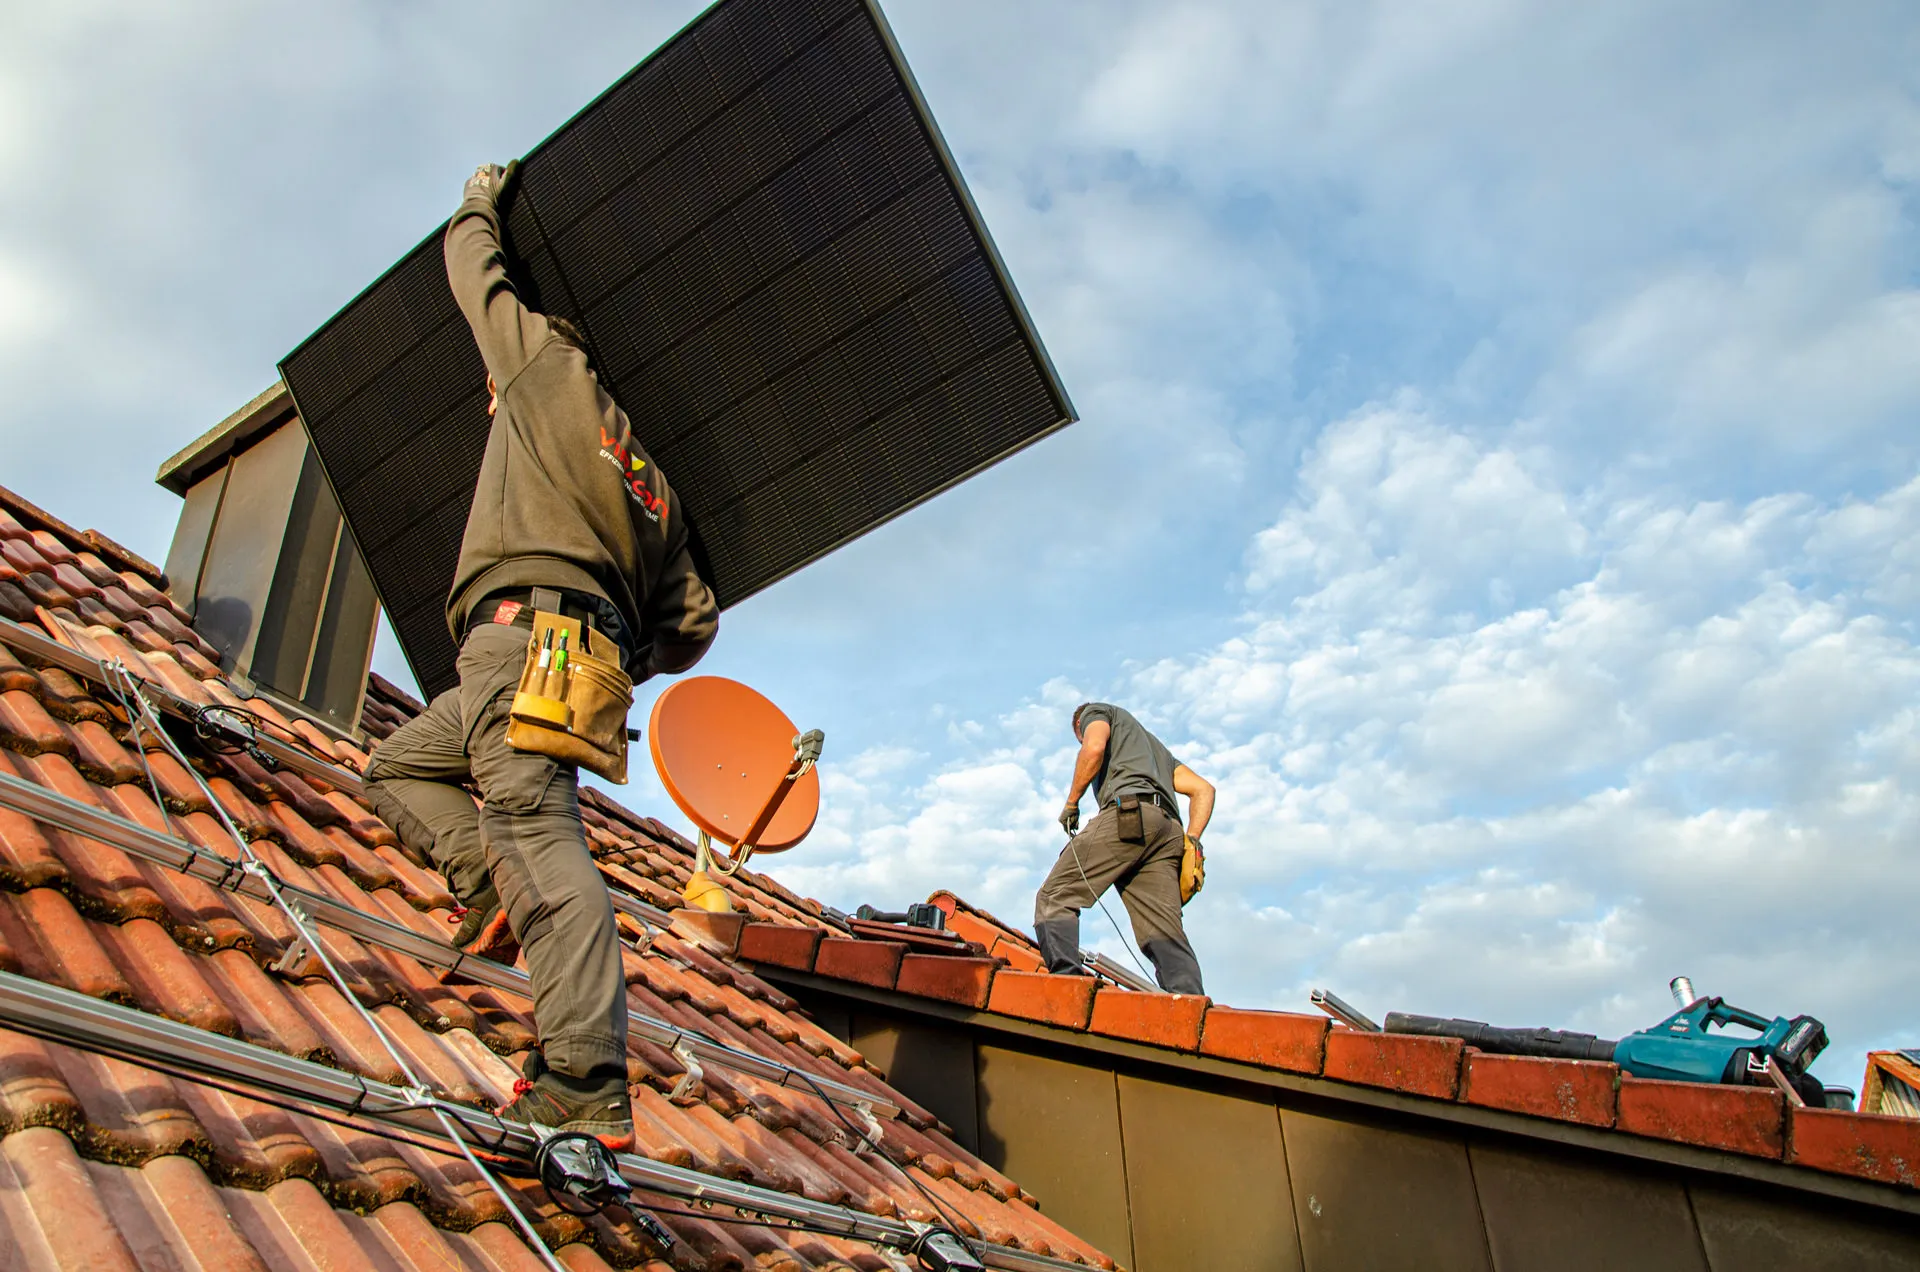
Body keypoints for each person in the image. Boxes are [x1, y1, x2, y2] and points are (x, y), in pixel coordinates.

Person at [363, 163, 718, 1148]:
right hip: (576, 659)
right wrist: (615, 639)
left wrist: (477, 202)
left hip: (519, 639)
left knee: (536, 834)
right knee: (397, 764)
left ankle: (584, 1076)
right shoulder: (654, 487)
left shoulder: (544, 373)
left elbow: (475, 275)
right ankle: (483, 892)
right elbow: (694, 622)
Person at [1033, 702, 1214, 995]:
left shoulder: (1098, 714)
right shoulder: (1158, 755)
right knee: (1163, 933)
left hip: (1130, 816)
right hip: (1168, 835)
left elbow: (1093, 748)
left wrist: (1071, 803)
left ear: (1079, 726)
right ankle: (1192, 1011)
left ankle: (1068, 987)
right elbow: (1204, 789)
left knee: (1056, 895)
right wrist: (1191, 839)